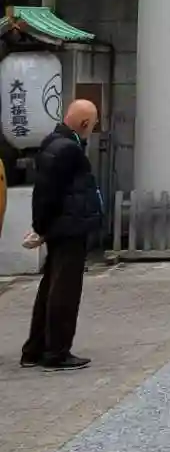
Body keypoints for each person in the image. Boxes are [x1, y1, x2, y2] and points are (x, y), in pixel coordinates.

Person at [20, 99, 103, 372]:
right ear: (84, 123)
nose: (93, 129)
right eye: (93, 124)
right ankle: (56, 352)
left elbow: (45, 192)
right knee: (64, 292)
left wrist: (42, 227)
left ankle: (35, 349)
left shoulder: (53, 143)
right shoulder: (68, 150)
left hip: (61, 227)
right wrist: (41, 227)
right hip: (69, 229)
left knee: (50, 289)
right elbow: (49, 194)